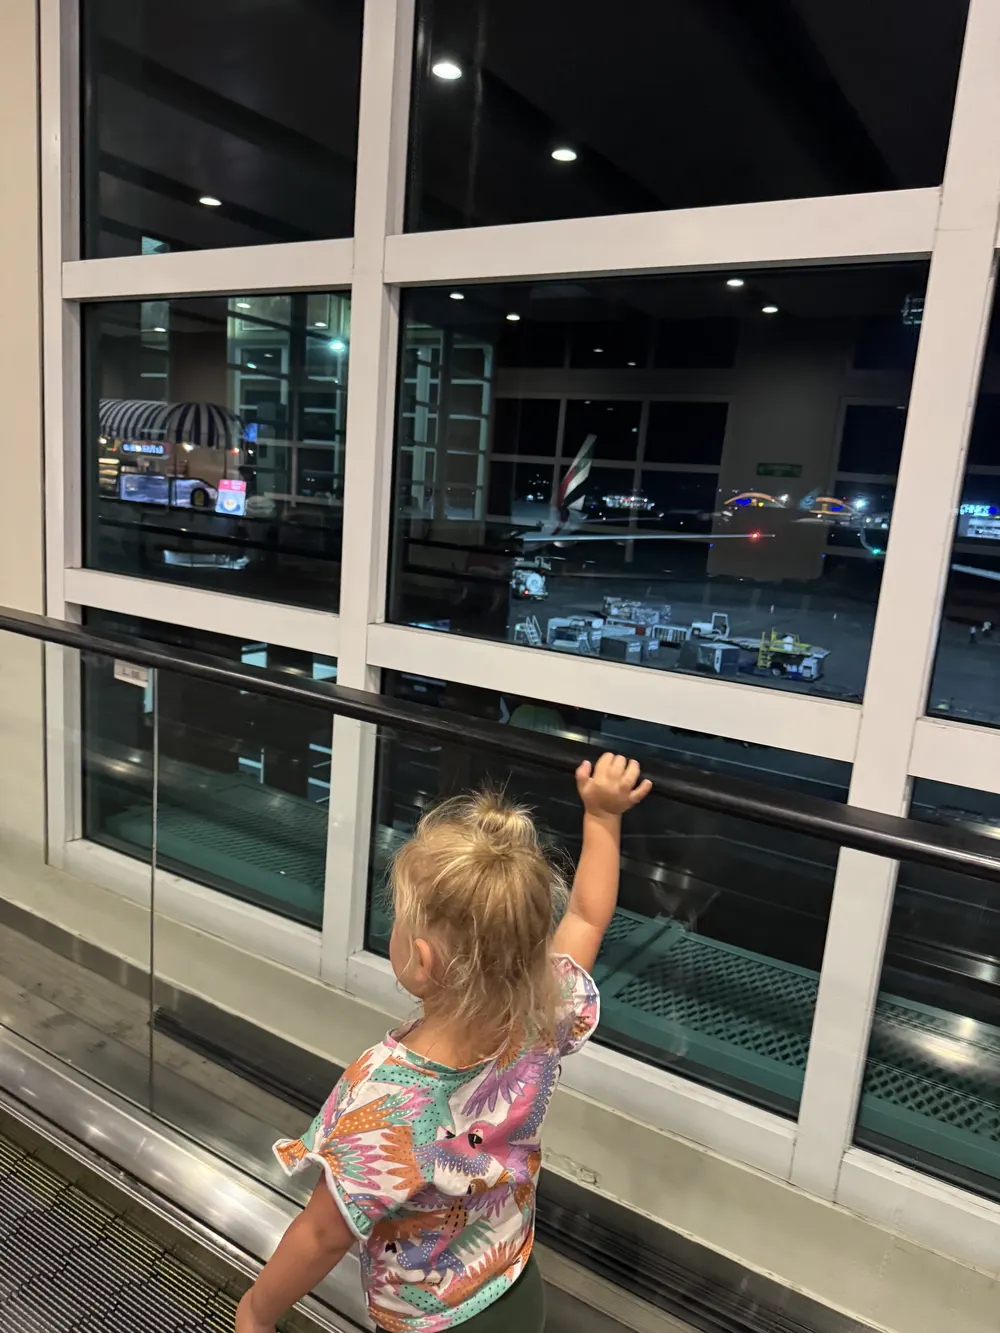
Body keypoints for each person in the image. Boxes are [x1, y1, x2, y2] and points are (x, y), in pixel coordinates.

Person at [235, 753, 652, 1333]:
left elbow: (323, 1234)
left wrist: (256, 1311)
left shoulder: (386, 1095)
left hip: (426, 1321)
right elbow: (585, 916)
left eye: (400, 920)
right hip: (512, 1282)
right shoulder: (542, 1009)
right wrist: (604, 816)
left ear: (422, 960)